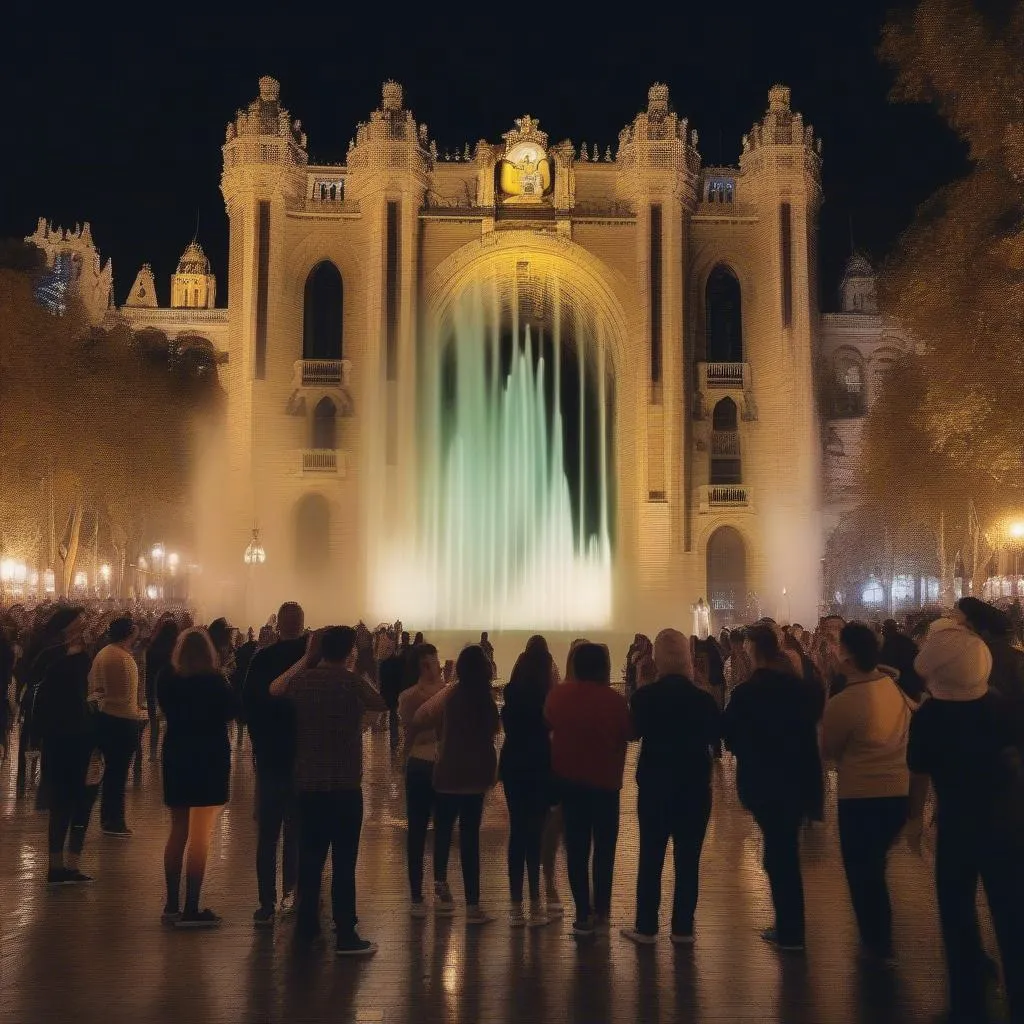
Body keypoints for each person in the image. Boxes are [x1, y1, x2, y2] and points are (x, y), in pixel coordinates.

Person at [907, 618, 1024, 1023]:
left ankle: (967, 1002)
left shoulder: (930, 717)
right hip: (1007, 826)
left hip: (957, 827)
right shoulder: (1003, 707)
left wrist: (913, 821)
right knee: (1011, 915)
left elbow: (918, 773)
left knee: (957, 915)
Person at [270, 626, 387, 956]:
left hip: (308, 784)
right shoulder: (351, 683)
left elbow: (275, 689)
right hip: (345, 785)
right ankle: (346, 933)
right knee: (344, 863)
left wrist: (305, 660)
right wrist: (359, 668)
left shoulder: (303, 682)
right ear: (348, 651)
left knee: (310, 858)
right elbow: (380, 702)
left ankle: (307, 928)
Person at [721, 623, 823, 952]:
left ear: (752, 649)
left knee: (780, 856)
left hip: (763, 782)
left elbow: (730, 738)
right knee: (784, 850)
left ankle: (790, 930)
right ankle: (792, 925)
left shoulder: (746, 694)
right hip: (797, 779)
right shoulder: (801, 691)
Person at [821, 622, 915, 964]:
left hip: (860, 795)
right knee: (875, 865)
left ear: (847, 657)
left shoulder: (845, 702)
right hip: (898, 792)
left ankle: (876, 943)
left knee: (863, 872)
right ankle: (881, 938)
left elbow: (828, 749)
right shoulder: (894, 688)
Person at [621, 629, 720, 946]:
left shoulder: (646, 697)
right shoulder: (702, 699)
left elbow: (632, 734)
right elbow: (715, 734)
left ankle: (647, 927)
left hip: (655, 785)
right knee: (688, 860)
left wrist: (642, 684)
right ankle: (683, 928)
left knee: (651, 855)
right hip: (694, 786)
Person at [544, 641, 631, 937]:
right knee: (604, 850)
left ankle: (582, 913)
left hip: (570, 783)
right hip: (607, 784)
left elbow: (550, 723)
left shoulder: (559, 696)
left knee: (577, 850)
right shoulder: (615, 701)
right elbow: (628, 733)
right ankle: (602, 911)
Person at [413, 644, 500, 924]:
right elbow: (494, 729)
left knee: (443, 830)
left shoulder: (451, 696)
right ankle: (473, 905)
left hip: (448, 771)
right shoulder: (485, 699)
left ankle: (440, 889)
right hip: (475, 776)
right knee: (470, 837)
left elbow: (424, 715)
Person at [158, 627, 238, 928]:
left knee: (177, 830)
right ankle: (192, 907)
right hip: (209, 757)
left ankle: (170, 905)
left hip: (177, 753)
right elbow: (233, 711)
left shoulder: (167, 678)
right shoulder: (215, 681)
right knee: (201, 834)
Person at [243, 602, 307, 928]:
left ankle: (266, 904)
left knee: (267, 836)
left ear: (278, 625)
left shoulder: (263, 660)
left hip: (270, 758)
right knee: (296, 833)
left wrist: (259, 743)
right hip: (303, 759)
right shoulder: (311, 662)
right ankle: (292, 895)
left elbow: (249, 708)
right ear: (303, 624)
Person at [31, 608, 98, 885]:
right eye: (80, 622)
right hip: (76, 741)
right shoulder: (70, 661)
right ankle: (68, 863)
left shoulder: (52, 660)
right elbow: (88, 701)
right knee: (79, 803)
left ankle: (57, 864)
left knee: (62, 805)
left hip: (57, 742)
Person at [499, 635, 558, 927]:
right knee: (535, 833)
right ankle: (536, 903)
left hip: (513, 764)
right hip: (539, 763)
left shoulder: (512, 693)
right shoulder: (547, 695)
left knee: (517, 832)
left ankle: (515, 906)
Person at [397, 643, 445, 917]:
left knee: (439, 827)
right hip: (422, 763)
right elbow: (414, 728)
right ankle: (418, 892)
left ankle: (436, 884)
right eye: (427, 661)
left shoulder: (442, 692)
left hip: (432, 762)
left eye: (434, 660)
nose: (432, 666)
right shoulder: (412, 696)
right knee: (420, 829)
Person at [89, 616, 146, 837]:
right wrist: (138, 714)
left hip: (106, 719)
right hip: (121, 721)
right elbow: (124, 696)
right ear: (130, 632)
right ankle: (114, 820)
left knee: (112, 773)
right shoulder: (122, 658)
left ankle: (108, 817)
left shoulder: (104, 653)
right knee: (117, 774)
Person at [955, 596, 1024, 701]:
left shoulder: (984, 649)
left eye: (956, 612)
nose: (955, 620)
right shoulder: (985, 644)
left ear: (968, 618)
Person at [145, 617, 178, 761]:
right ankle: (169, 751)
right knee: (172, 722)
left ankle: (152, 752)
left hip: (152, 686)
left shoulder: (152, 648)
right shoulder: (176, 649)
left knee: (154, 724)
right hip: (171, 688)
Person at [878, 619, 925, 701]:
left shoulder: (888, 645)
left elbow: (885, 666)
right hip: (913, 684)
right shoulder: (906, 641)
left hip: (899, 686)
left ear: (886, 629)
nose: (883, 631)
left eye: (884, 629)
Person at [380, 632, 409, 755]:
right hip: (397, 692)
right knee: (397, 715)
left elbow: (382, 680)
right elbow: (402, 678)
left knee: (392, 715)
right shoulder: (399, 662)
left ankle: (394, 739)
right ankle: (397, 738)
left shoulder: (384, 664)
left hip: (389, 692)